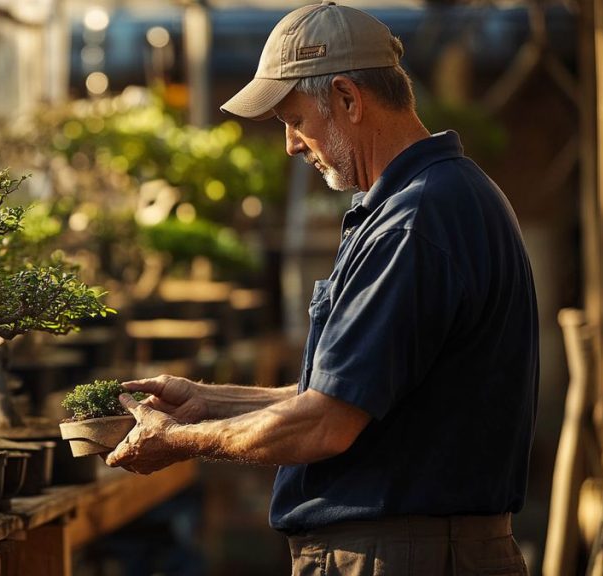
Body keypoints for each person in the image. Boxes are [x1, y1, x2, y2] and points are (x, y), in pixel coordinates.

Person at [104, 2, 538, 575]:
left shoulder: (416, 221)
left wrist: (182, 441)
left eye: (293, 119)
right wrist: (206, 402)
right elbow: (343, 396)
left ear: (348, 99)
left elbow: (326, 425)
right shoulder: (426, 202)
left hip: (405, 557)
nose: (289, 144)